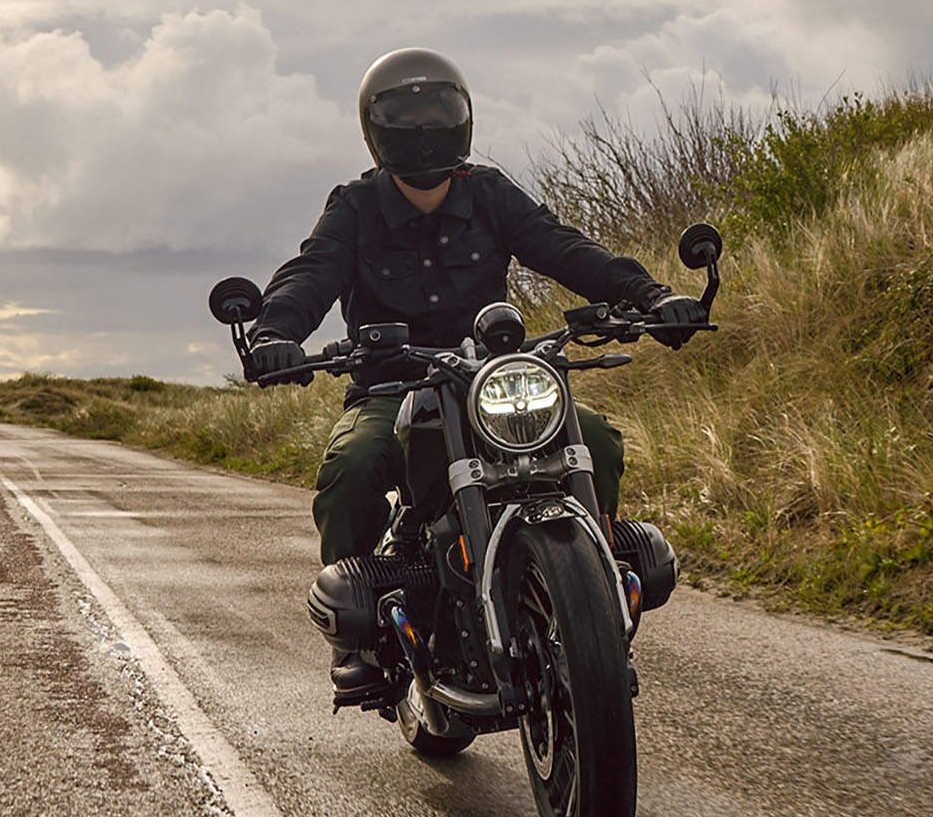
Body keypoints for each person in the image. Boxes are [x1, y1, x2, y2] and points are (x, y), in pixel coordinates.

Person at [248, 47, 704, 692]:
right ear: (378, 128)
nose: (425, 124)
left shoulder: (487, 193)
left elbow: (565, 247)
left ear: (461, 116)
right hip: (395, 387)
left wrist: (653, 297)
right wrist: (275, 333)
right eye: (409, 111)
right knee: (353, 470)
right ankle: (357, 642)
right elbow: (311, 272)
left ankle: (595, 595)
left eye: (437, 107)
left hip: (495, 378)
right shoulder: (354, 207)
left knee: (594, 439)